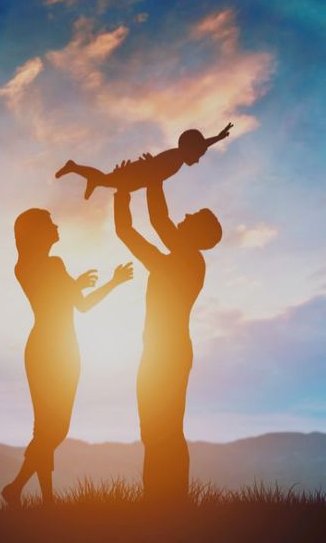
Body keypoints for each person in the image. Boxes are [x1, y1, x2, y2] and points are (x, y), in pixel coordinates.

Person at [2, 208, 133, 506]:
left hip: (61, 348)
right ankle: (20, 489)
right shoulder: (34, 266)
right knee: (53, 428)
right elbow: (64, 300)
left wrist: (112, 282)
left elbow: (80, 304)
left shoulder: (41, 266)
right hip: (52, 348)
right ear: (35, 232)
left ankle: (35, 496)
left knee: (49, 428)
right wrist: (80, 285)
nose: (56, 225)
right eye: (49, 223)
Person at [113, 174, 222, 504]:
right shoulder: (182, 259)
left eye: (191, 218)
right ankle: (163, 501)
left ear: (196, 234)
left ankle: (166, 502)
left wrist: (146, 182)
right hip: (164, 353)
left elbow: (145, 227)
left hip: (166, 355)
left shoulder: (182, 263)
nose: (184, 217)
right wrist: (144, 183)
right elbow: (150, 225)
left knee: (163, 431)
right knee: (158, 430)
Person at [56, 123, 233, 200]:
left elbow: (200, 145)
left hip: (139, 176)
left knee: (106, 181)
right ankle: (75, 167)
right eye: (198, 156)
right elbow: (156, 169)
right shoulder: (176, 157)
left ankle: (87, 176)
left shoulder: (178, 156)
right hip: (137, 174)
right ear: (190, 150)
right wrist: (150, 168)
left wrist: (218, 137)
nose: (198, 161)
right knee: (107, 181)